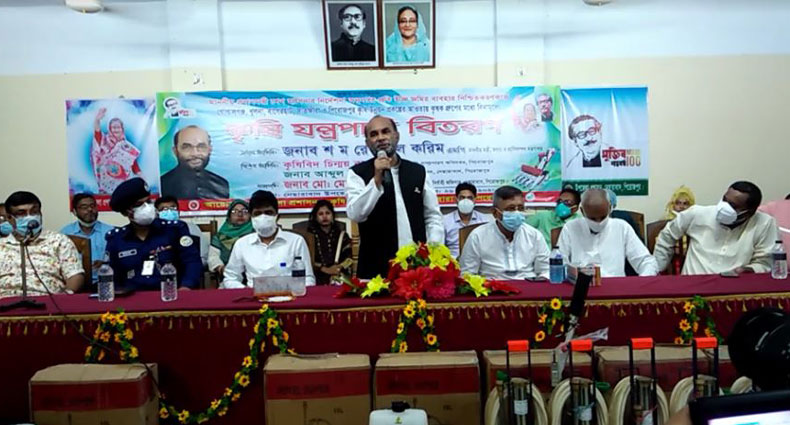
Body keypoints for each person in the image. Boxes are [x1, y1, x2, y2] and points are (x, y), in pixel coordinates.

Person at [346, 115, 444, 279]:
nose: (380, 138)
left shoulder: (418, 172)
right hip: (375, 270)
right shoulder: (357, 174)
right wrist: (376, 179)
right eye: (374, 134)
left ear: (396, 136)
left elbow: (432, 216)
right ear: (367, 143)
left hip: (417, 267)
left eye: (385, 132)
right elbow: (356, 214)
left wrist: (433, 252)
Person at [654, 181, 777, 275]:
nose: (724, 207)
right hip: (693, 286)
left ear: (749, 212)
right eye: (724, 199)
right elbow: (666, 235)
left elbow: (765, 263)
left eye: (732, 205)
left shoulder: (764, 224)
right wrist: (657, 269)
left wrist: (749, 270)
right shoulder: (697, 214)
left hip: (734, 288)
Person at [104, 178, 202, 291]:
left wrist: (186, 286)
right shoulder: (116, 239)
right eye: (139, 204)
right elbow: (113, 277)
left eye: (149, 201)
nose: (147, 207)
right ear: (126, 212)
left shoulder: (175, 230)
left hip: (171, 294)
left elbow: (192, 262)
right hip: (133, 297)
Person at [222, 190, 315, 288]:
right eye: (257, 213)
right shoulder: (241, 244)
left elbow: (308, 278)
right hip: (253, 296)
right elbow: (230, 278)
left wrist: (296, 292)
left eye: (268, 212)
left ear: (277, 216)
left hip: (289, 294)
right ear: (251, 217)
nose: (263, 217)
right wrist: (246, 291)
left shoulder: (296, 241)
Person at [0, 191, 84, 297]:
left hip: (49, 300)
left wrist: (65, 296)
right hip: (6, 301)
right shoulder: (2, 246)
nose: (30, 217)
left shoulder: (59, 241)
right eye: (21, 213)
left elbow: (75, 275)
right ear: (9, 218)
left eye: (34, 212)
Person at [559, 188, 658, 277]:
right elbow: (560, 263)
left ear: (610, 208)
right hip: (581, 286)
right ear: (582, 211)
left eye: (603, 217)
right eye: (592, 219)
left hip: (616, 286)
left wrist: (643, 280)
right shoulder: (570, 228)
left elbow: (645, 261)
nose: (598, 223)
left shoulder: (622, 227)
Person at [460, 186, 549, 280]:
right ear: (495, 212)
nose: (517, 213)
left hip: (529, 284)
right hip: (492, 285)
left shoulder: (534, 235)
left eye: (521, 208)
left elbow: (546, 270)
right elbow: (467, 273)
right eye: (510, 209)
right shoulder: (478, 236)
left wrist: (541, 280)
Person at [160, 125, 230, 200]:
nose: (195, 153)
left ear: (209, 150)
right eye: (187, 147)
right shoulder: (162, 185)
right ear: (175, 151)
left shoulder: (222, 185)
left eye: (201, 146)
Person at [60, 193, 115, 285]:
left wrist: (105, 264)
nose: (90, 209)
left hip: (104, 282)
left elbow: (120, 260)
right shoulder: (65, 234)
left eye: (92, 206)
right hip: (76, 284)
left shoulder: (110, 232)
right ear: (74, 211)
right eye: (84, 207)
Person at [91, 107, 141, 194]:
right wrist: (97, 120)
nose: (116, 130)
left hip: (123, 188)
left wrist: (144, 180)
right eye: (113, 127)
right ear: (110, 129)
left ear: (122, 129)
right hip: (105, 187)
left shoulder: (126, 146)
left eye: (118, 127)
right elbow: (97, 131)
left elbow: (135, 167)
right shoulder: (103, 141)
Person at [155, 196, 209, 267]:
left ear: (178, 212)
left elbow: (203, 255)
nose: (169, 211)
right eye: (164, 209)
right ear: (157, 213)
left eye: (173, 208)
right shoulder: (152, 230)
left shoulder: (192, 228)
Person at [307, 200, 352, 285]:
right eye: (321, 214)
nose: (324, 216)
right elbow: (307, 259)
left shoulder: (342, 235)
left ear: (332, 215)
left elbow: (349, 259)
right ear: (315, 217)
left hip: (338, 276)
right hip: (317, 276)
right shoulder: (309, 236)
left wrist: (338, 268)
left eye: (327, 213)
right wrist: (325, 269)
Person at [443, 182, 490, 258]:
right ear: (456, 199)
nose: (466, 201)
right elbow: (439, 246)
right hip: (453, 261)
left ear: (475, 199)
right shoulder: (445, 221)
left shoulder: (484, 220)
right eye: (462, 198)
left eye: (470, 198)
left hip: (477, 260)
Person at [208, 200, 253, 277]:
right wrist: (221, 268)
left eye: (245, 211)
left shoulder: (256, 233)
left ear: (250, 215)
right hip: (229, 275)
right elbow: (213, 257)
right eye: (234, 211)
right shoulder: (220, 236)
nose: (240, 214)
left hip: (256, 275)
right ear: (229, 216)